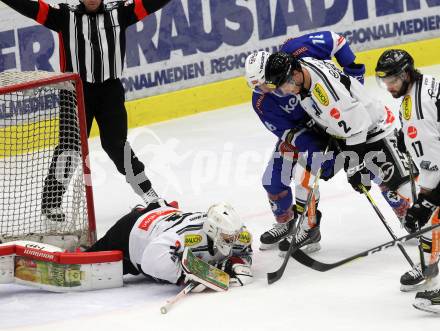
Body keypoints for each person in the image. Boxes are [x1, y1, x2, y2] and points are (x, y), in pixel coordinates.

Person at [0, 0, 173, 221]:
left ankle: (148, 193)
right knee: (69, 149)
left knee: (117, 146)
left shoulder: (120, 13)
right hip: (75, 92)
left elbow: (151, 4)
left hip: (110, 91)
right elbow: (30, 8)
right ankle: (51, 203)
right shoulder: (64, 17)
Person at [263, 52, 416, 259]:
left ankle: (417, 218)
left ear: (297, 74)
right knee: (304, 174)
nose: (286, 90)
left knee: (403, 195)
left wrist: (354, 167)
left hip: (374, 131)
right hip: (342, 133)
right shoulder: (302, 67)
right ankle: (309, 229)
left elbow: (358, 126)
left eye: (286, 83)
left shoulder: (326, 95)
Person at [244, 31, 366, 252]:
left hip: (336, 121)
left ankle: (405, 210)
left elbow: (336, 41)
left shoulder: (295, 53)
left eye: (264, 84)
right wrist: (313, 148)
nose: (263, 91)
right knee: (273, 181)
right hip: (306, 135)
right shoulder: (262, 101)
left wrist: (354, 76)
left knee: (369, 166)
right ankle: (290, 224)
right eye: (257, 88)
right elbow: (287, 133)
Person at [375, 49, 440, 310]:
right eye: (384, 82)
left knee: (432, 217)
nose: (388, 87)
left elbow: (435, 173)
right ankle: (429, 270)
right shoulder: (424, 85)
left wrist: (425, 202)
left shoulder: (418, 110)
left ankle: (433, 283)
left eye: (391, 80)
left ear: (405, 74)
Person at [86, 200, 253, 288]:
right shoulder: (188, 234)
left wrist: (237, 262)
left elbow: (245, 252)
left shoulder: (235, 233)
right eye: (227, 236)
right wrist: (184, 276)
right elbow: (150, 259)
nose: (232, 240)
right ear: (212, 229)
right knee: (88, 268)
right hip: (132, 232)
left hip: (162, 216)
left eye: (234, 236)